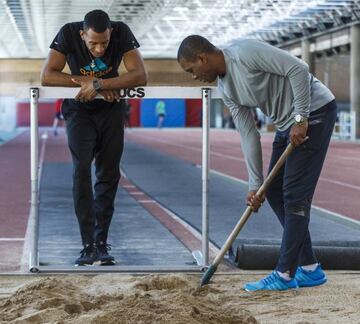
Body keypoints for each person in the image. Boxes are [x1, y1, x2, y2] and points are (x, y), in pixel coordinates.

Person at [177, 35, 336, 291]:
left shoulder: (245, 52)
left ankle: (285, 274)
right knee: (272, 191)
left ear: (202, 58)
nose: (194, 76)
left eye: (191, 70)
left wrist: (300, 118)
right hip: (287, 123)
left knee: (295, 196)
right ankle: (310, 268)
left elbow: (299, 68)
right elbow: (248, 134)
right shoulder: (226, 89)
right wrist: (255, 184)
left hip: (315, 112)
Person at [41, 10, 147, 266]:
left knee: (109, 174)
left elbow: (140, 75)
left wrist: (102, 86)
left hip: (111, 109)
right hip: (79, 110)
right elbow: (48, 75)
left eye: (104, 43)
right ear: (82, 35)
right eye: (93, 44)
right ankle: (87, 244)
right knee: (81, 170)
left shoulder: (121, 32)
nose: (99, 49)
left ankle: (101, 243)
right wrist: (87, 82)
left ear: (111, 32)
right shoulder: (68, 32)